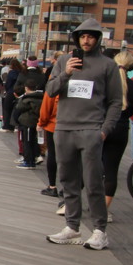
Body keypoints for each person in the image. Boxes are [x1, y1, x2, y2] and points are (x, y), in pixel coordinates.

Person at [45, 19, 122, 250]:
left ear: (98, 39)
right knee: (67, 180)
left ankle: (100, 230)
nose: (86, 41)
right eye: (82, 37)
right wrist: (66, 73)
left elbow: (116, 102)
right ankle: (72, 227)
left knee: (93, 181)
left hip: (91, 129)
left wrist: (104, 130)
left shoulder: (108, 65)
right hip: (63, 129)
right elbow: (50, 90)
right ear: (76, 39)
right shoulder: (64, 61)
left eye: (90, 37)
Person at [103, 51, 133, 221]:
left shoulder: (104, 82)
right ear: (131, 67)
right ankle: (104, 210)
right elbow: (132, 111)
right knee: (111, 171)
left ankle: (71, 204)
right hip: (121, 129)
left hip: (101, 127)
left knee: (90, 166)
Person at [13, 78, 44, 168]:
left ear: (26, 88)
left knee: (27, 142)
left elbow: (19, 107)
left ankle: (28, 161)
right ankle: (33, 159)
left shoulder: (27, 99)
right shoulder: (41, 97)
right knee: (32, 141)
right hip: (35, 122)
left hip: (27, 122)